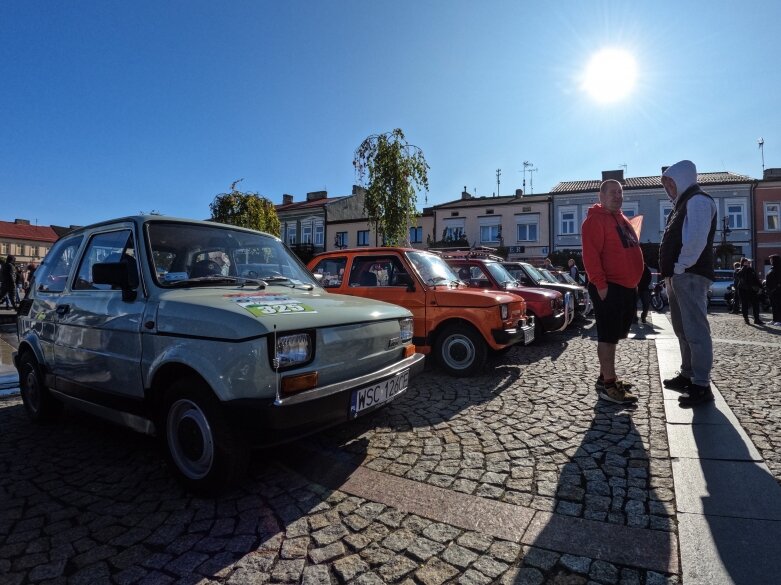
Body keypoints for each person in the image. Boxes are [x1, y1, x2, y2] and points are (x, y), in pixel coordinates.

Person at [659, 160, 717, 407]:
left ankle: (702, 385)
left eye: (671, 182)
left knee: (695, 331)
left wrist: (680, 267)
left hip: (689, 274)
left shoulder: (698, 200)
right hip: (679, 275)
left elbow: (695, 240)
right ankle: (687, 374)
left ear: (682, 179)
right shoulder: (683, 202)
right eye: (666, 184)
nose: (668, 188)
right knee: (683, 329)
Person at [582, 179, 644, 404]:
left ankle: (604, 377)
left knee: (615, 336)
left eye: (620, 192)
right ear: (601, 195)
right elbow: (591, 256)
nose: (618, 196)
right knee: (607, 337)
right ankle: (609, 385)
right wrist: (601, 286)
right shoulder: (595, 221)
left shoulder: (622, 218)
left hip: (625, 288)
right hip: (609, 287)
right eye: (612, 192)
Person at [736, 257, 764, 325]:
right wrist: (744, 267)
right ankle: (746, 319)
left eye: (749, 263)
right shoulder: (739, 270)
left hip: (752, 290)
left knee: (756, 304)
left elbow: (756, 279)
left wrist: (761, 287)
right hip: (743, 290)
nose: (749, 264)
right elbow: (739, 276)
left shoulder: (751, 270)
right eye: (747, 262)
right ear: (743, 263)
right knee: (744, 305)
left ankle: (757, 319)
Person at [766, 254, 781, 325]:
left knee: (778, 305)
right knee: (773, 305)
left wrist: (776, 288)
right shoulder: (772, 268)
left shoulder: (779, 268)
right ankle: (774, 319)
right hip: (771, 291)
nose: (770, 260)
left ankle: (779, 320)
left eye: (771, 259)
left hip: (777, 291)